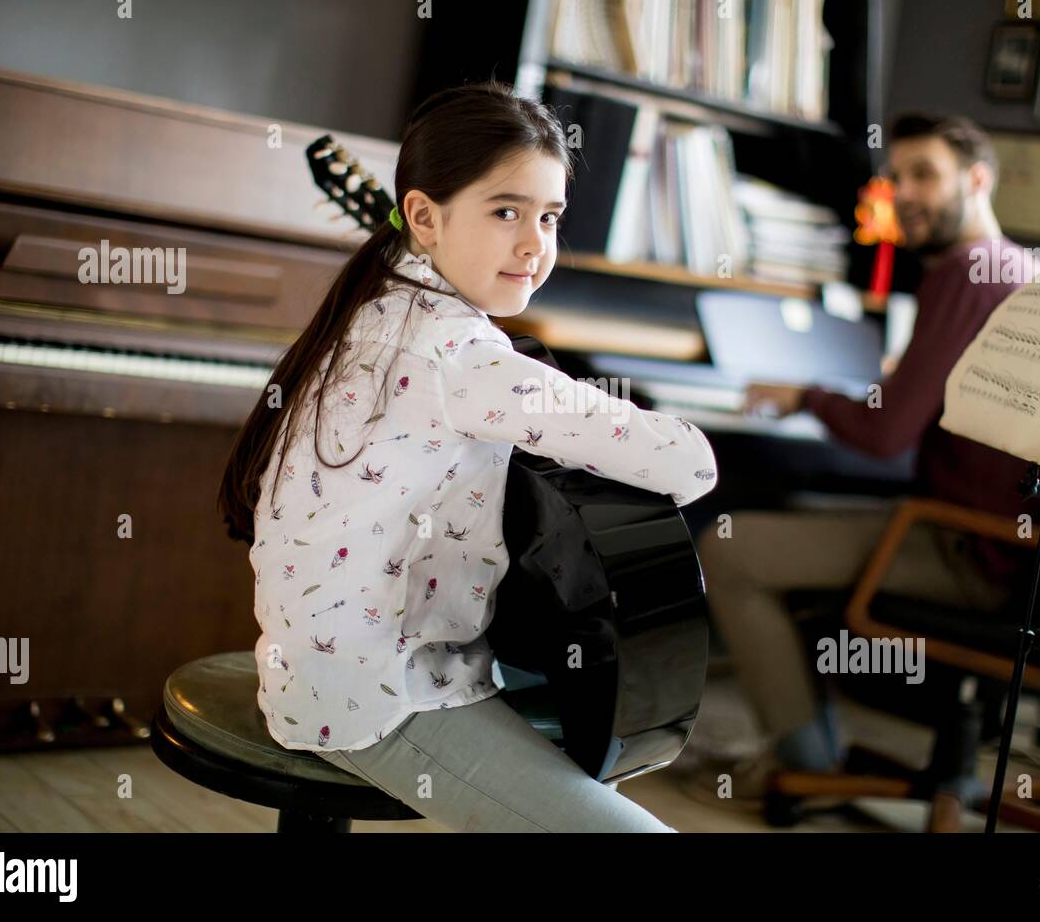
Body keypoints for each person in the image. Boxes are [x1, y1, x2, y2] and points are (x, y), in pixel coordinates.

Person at [217, 82, 718, 832]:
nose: (534, 244)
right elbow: (691, 467)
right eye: (505, 211)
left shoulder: (378, 298)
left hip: (315, 668)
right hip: (385, 699)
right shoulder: (459, 355)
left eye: (549, 217)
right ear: (423, 215)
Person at [686, 111, 1040, 804]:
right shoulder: (1013, 267)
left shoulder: (969, 272)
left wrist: (807, 396)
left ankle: (808, 769)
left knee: (732, 552)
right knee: (786, 527)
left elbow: (886, 437)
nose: (904, 192)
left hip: (965, 550)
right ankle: (815, 755)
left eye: (925, 175)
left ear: (977, 180)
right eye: (895, 176)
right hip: (999, 542)